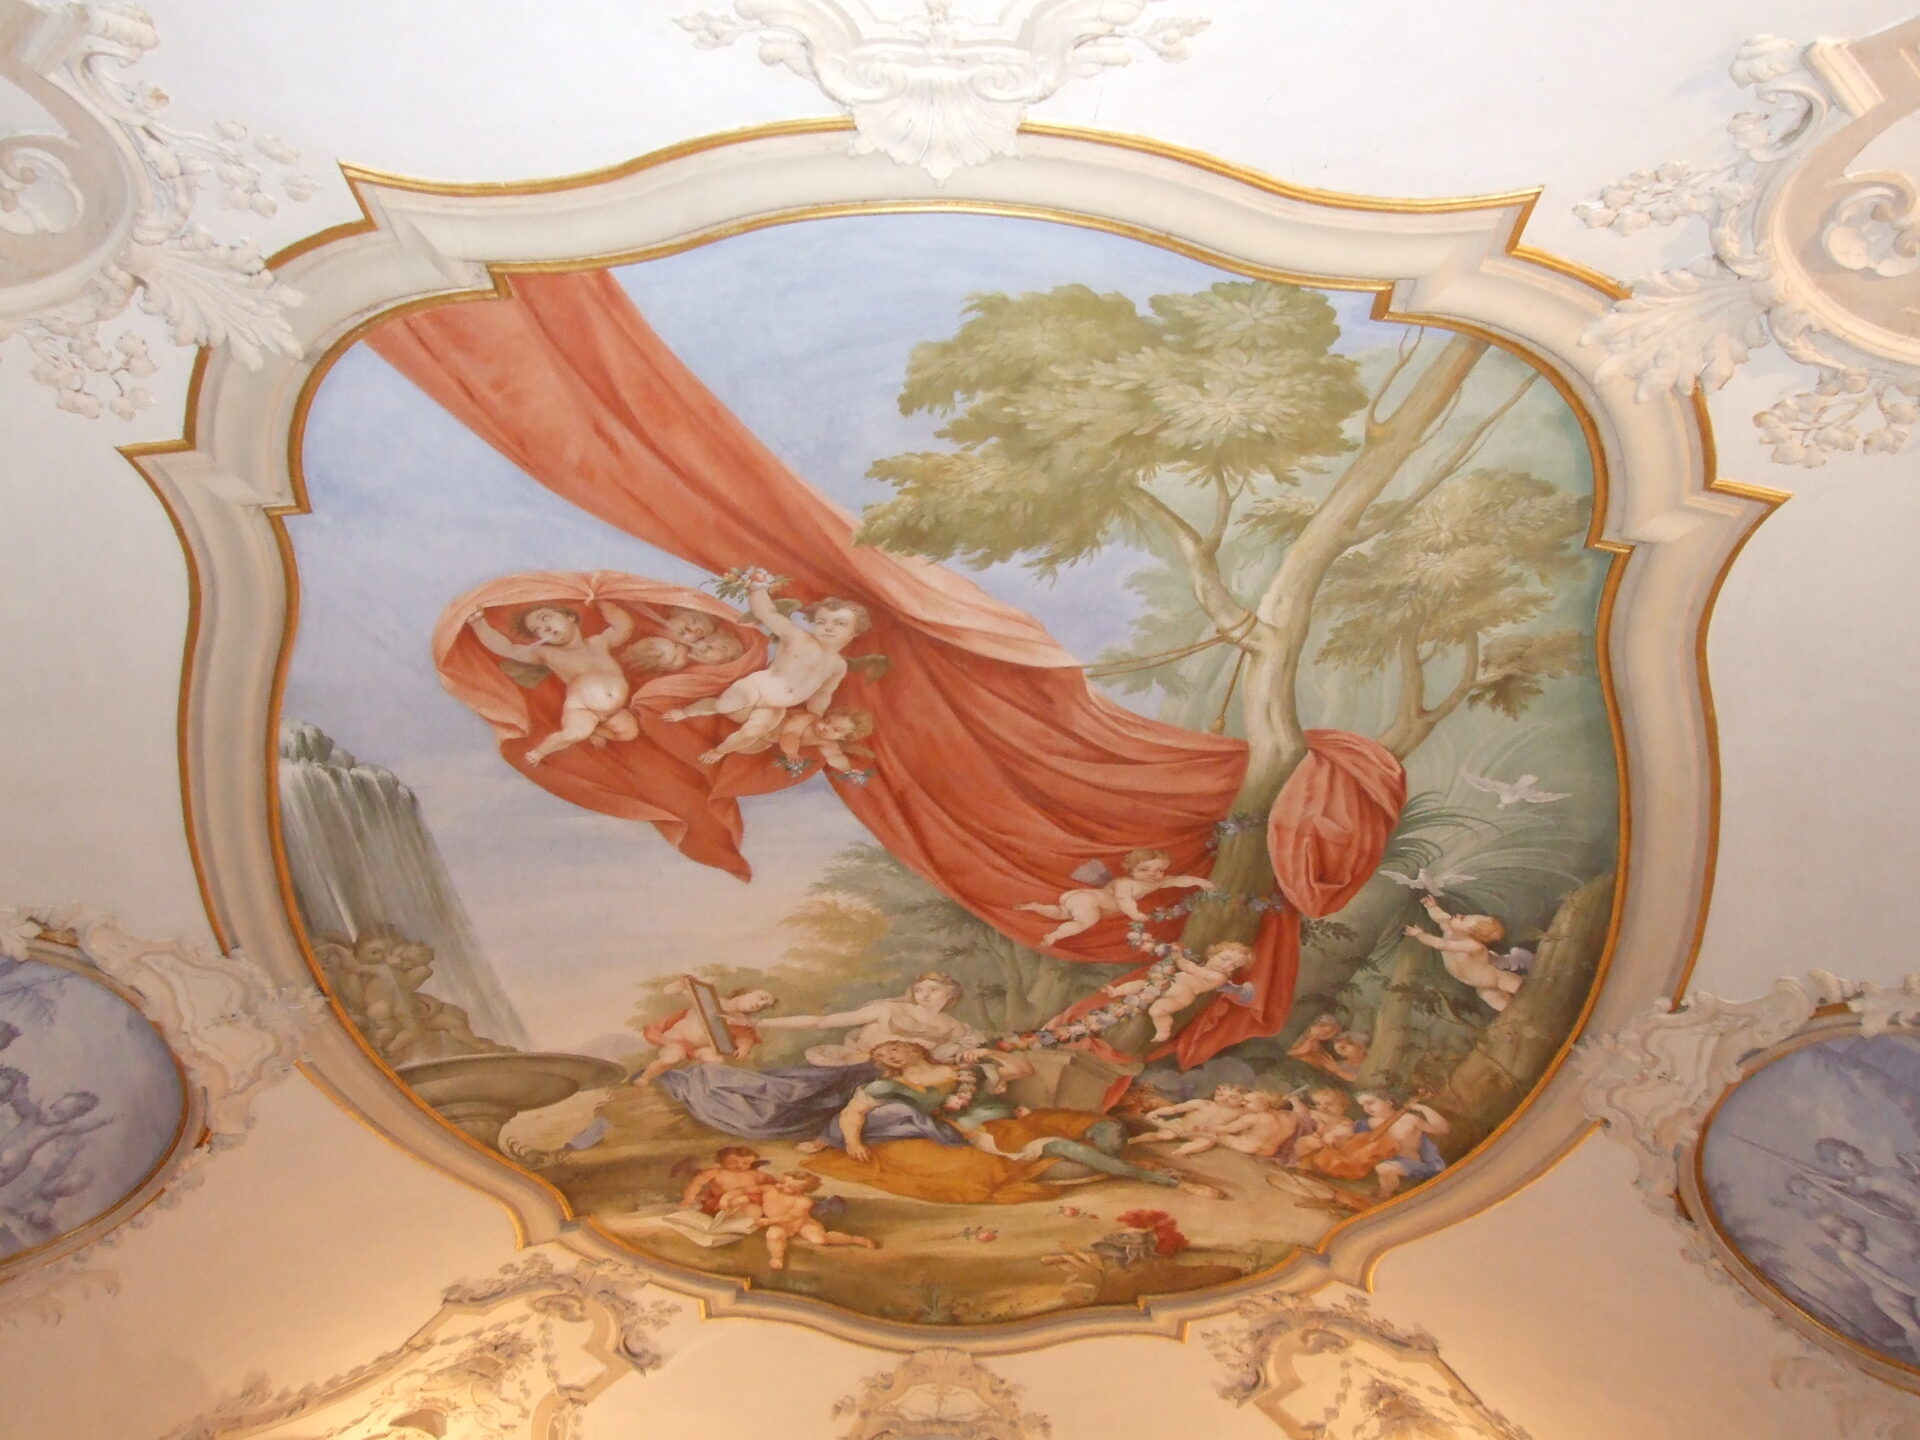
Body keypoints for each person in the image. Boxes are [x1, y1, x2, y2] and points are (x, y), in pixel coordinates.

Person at [807, 1040, 1227, 1204]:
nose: (892, 1055)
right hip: (984, 1132)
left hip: (1021, 1119)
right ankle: (1169, 1181)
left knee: (1104, 1128)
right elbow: (853, 1112)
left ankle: (1121, 1158)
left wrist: (988, 1054)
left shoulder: (962, 1067)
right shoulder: (893, 1086)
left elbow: (1021, 1069)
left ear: (913, 1047)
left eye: (895, 1048)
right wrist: (852, 1142)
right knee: (1065, 1149)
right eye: (884, 1056)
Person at [654, 974, 980, 1140]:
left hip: (888, 1084)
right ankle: (705, 1079)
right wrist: (757, 1023)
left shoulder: (955, 1028)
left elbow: (959, 1059)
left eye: (933, 990)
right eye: (920, 989)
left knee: (821, 1119)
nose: (924, 994)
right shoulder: (888, 1010)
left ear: (950, 995)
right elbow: (820, 1022)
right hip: (850, 1069)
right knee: (787, 1094)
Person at [661, 572, 871, 766]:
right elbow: (767, 613)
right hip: (755, 687)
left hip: (775, 707)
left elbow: (823, 693)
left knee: (751, 733)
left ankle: (719, 751)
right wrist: (758, 589)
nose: (828, 628)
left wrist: (815, 715)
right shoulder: (798, 637)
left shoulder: (838, 665)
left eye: (840, 624)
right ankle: (685, 712)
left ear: (855, 632)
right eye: (822, 621)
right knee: (724, 706)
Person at [467, 600, 639, 766]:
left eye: (546, 618)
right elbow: (507, 649)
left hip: (615, 710)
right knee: (574, 734)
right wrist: (478, 622)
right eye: (538, 630)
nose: (546, 629)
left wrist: (601, 602)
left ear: (569, 616)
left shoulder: (599, 642)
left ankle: (597, 730)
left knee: (630, 733)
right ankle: (540, 752)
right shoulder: (548, 654)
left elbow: (624, 626)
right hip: (582, 709)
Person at [1018, 849, 1216, 945]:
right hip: (1091, 900)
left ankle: (1037, 907)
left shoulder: (1156, 882)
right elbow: (1123, 900)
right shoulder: (1125, 883)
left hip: (1077, 898)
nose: (1153, 875)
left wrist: (1200, 881)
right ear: (1131, 869)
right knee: (1083, 922)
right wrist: (1135, 914)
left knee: (1063, 913)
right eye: (1145, 869)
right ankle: (1054, 936)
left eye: (1159, 870)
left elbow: (1177, 880)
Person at [635, 986, 777, 1084]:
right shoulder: (712, 1001)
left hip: (701, 1047)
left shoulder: (739, 1019)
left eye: (764, 1005)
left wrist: (743, 1048)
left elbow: (744, 1035)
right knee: (672, 1058)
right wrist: (679, 986)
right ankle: (646, 1077)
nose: (760, 1004)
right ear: (749, 992)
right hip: (678, 1039)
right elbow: (672, 992)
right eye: (761, 997)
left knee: (716, 1061)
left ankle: (704, 1088)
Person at [1403, 896, 1523, 1011]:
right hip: (1478, 984)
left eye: (1463, 919)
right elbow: (1441, 918)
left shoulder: (1472, 945)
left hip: (1491, 978)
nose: (1459, 915)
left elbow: (1441, 944)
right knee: (1500, 1003)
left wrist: (1419, 934)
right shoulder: (1450, 930)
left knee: (1518, 986)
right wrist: (1432, 907)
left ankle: (1530, 991)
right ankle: (1517, 1016)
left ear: (1471, 933)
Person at [749, 1171, 879, 1270]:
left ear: (803, 1190)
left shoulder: (804, 1201)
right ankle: (777, 1257)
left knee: (820, 1239)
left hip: (801, 1223)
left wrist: (769, 1221)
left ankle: (855, 1239)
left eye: (792, 1187)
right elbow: (745, 1190)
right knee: (773, 1235)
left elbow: (791, 1216)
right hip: (779, 1224)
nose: (784, 1187)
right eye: (783, 1183)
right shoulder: (769, 1189)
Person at [1130, 1084, 1252, 1155]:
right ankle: (1135, 1139)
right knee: (1163, 1136)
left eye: (1233, 1097)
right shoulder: (1202, 1103)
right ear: (1216, 1093)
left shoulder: (1238, 1112)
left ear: (1243, 1101)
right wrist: (1156, 1112)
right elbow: (1174, 1109)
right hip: (1182, 1126)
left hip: (1204, 1134)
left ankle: (1182, 1151)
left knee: (1205, 1143)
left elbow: (1249, 1117)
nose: (1225, 1099)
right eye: (1221, 1095)